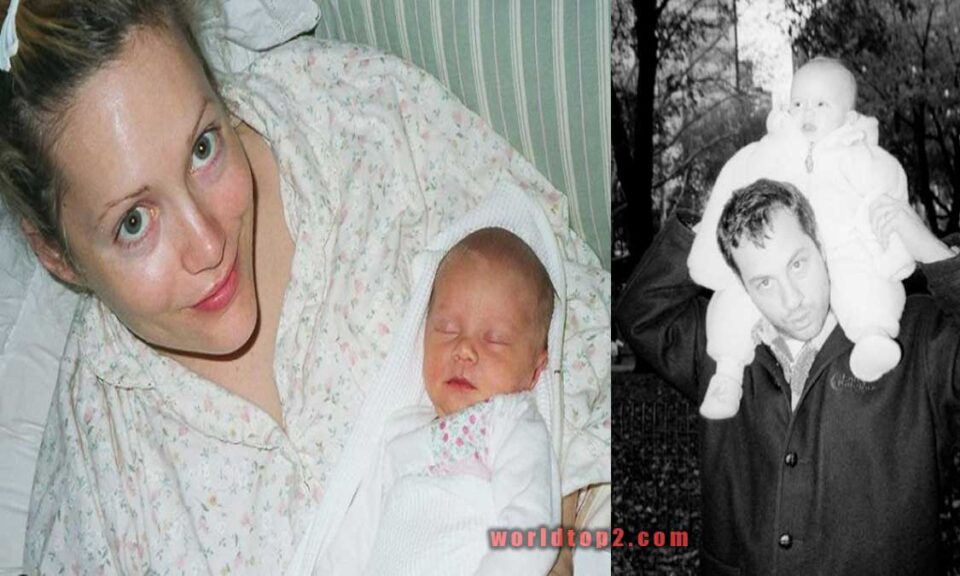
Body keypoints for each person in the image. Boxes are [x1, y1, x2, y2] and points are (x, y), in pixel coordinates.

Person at [0, 1, 609, 573]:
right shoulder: (99, 471)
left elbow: (572, 297)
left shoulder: (358, 122)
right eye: (134, 223)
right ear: (56, 253)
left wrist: (555, 531)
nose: (209, 244)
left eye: (204, 147)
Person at [615, 178, 960, 575]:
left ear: (822, 245)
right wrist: (705, 227)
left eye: (797, 264)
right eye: (764, 282)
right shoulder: (721, 350)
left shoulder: (913, 340)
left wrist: (934, 253)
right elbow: (640, 313)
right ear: (741, 286)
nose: (791, 300)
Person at [324, 227, 561, 575]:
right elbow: (352, 543)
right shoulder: (398, 435)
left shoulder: (510, 422)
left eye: (494, 340)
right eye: (448, 330)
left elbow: (529, 529)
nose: (464, 349)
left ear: (535, 369)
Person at [688, 57, 914, 419]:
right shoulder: (769, 150)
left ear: (848, 113)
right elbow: (731, 192)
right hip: (772, 252)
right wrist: (708, 259)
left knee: (863, 283)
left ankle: (872, 337)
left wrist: (896, 253)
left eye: (821, 104)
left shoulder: (863, 157)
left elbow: (887, 197)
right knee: (736, 299)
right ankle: (727, 374)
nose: (806, 112)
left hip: (843, 249)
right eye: (798, 103)